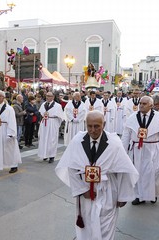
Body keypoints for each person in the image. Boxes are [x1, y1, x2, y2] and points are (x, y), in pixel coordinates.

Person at [55, 110, 139, 240]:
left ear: (104, 124)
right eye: (89, 126)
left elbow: (123, 169)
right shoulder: (77, 141)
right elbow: (71, 167)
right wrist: (82, 190)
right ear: (85, 124)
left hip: (107, 191)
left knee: (105, 225)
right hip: (85, 191)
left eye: (97, 126)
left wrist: (123, 195)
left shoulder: (114, 143)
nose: (93, 130)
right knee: (87, 224)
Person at [121, 96, 159, 205]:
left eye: (144, 104)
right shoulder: (132, 117)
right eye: (140, 103)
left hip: (153, 149)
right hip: (137, 149)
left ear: (151, 105)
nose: (141, 105)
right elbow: (126, 135)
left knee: (153, 172)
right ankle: (138, 195)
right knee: (138, 172)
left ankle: (153, 194)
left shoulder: (157, 117)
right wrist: (123, 152)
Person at [37, 92, 64, 163]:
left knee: (52, 140)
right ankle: (44, 154)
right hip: (45, 123)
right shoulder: (43, 104)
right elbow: (40, 113)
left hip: (52, 123)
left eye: (49, 96)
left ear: (53, 97)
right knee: (44, 139)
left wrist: (56, 124)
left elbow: (61, 117)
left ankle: (51, 156)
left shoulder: (57, 106)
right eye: (46, 96)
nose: (47, 97)